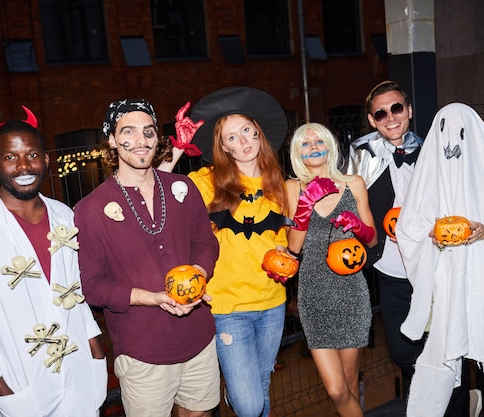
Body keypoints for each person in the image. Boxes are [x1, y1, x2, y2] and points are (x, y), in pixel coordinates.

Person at [0, 106, 108, 417]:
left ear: (46, 160)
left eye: (32, 155)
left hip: (82, 378)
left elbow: (76, 293)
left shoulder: (64, 214)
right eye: (10, 157)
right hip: (22, 388)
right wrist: (3, 392)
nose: (24, 166)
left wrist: (96, 354)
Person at [74, 99, 220, 417]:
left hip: (199, 338)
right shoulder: (89, 210)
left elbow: (206, 243)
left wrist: (198, 272)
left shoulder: (183, 187)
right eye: (129, 131)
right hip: (143, 351)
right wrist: (154, 298)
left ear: (157, 139)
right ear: (111, 140)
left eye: (148, 131)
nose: (141, 141)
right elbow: (93, 287)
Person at [397, 102, 484, 417]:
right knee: (452, 375)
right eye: (444, 134)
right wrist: (430, 237)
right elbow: (409, 229)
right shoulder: (427, 177)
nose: (452, 146)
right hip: (446, 292)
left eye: (460, 134)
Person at [163, 86, 291, 417]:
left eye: (246, 131)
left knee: (261, 390)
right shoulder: (206, 182)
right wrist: (177, 147)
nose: (243, 141)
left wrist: (285, 257)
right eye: (230, 138)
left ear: (258, 133)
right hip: (228, 308)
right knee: (249, 405)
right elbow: (156, 185)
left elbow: (280, 239)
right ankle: (236, 398)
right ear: (222, 147)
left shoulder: (277, 184)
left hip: (273, 304)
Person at [286, 122, 377, 417]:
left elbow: (373, 238)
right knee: (336, 390)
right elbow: (294, 248)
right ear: (297, 152)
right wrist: (305, 205)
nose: (313, 146)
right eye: (305, 143)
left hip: (351, 293)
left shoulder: (354, 183)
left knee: (350, 384)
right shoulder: (292, 187)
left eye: (318, 141)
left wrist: (357, 226)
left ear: (330, 146)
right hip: (313, 295)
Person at [344, 80, 425, 398]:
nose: (390, 117)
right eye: (381, 113)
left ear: (409, 110)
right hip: (390, 268)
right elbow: (347, 200)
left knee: (439, 345)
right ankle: (445, 390)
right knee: (402, 352)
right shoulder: (362, 153)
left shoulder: (431, 148)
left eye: (396, 108)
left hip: (432, 264)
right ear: (371, 119)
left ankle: (442, 401)